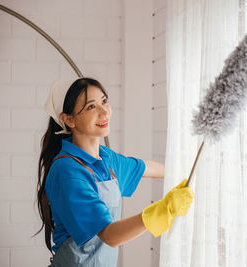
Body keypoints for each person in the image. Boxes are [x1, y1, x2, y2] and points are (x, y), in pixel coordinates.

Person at [35, 77, 194, 266]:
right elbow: (110, 236)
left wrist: (184, 173)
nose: (104, 111)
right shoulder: (67, 171)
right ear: (69, 119)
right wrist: (162, 210)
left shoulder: (107, 159)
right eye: (91, 107)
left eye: (104, 101)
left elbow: (145, 167)